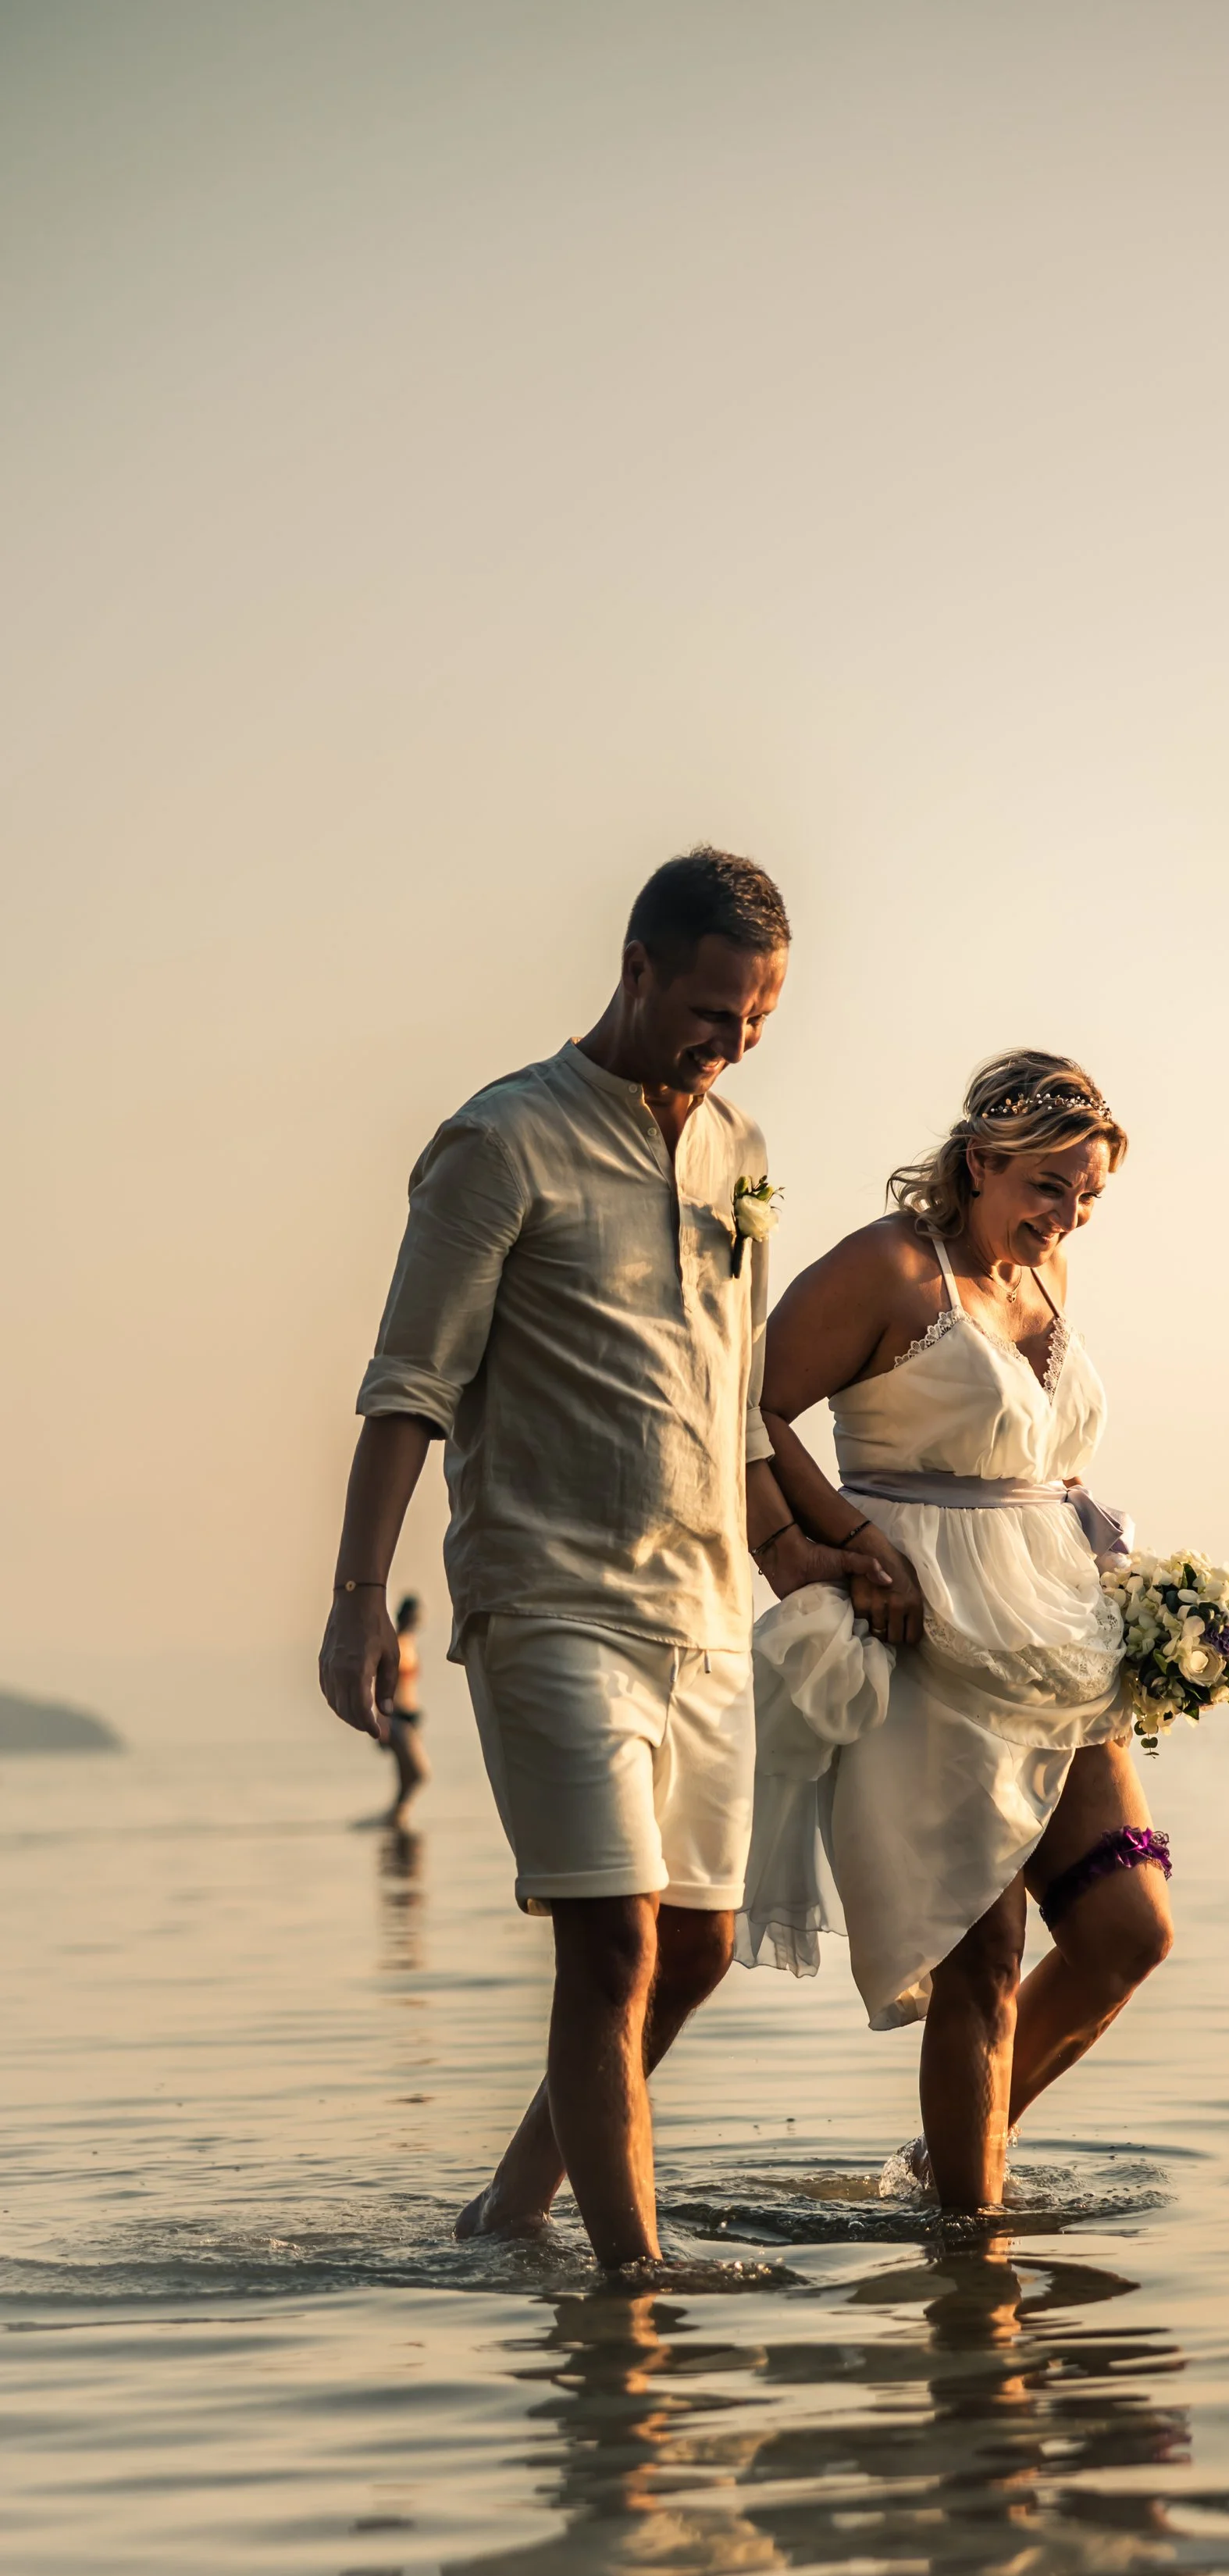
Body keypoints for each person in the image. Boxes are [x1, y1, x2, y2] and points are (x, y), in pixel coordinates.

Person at [317, 847, 885, 2267]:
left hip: (703, 1619)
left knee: (693, 1952)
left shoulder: (739, 1153)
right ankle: (633, 2287)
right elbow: (409, 1387)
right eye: (709, 1010)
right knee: (613, 1946)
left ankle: (508, 2215)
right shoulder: (500, 1143)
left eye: (756, 1020)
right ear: (634, 968)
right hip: (551, 1605)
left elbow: (731, 1401)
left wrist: (803, 1557)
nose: (730, 1042)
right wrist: (349, 1606)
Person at [739, 1051, 1174, 2212]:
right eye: (1047, 1185)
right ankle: (973, 2258)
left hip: (1055, 1631)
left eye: (1086, 1196)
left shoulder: (1050, 1279)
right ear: (980, 1160)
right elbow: (748, 1400)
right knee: (982, 1958)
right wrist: (832, 1543)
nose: (1066, 1214)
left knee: (1129, 1929)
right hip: (928, 1634)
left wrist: (1141, 1594)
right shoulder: (889, 1266)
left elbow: (1042, 1457)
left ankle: (951, 2164)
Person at [377, 1592, 428, 1825]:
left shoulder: (410, 1645)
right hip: (395, 1716)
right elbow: (382, 1685)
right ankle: (395, 1815)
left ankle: (398, 1817)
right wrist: (382, 1722)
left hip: (408, 1716)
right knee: (418, 1773)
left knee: (406, 1775)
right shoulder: (395, 1645)